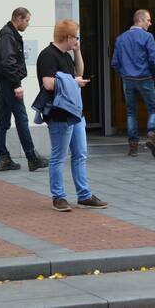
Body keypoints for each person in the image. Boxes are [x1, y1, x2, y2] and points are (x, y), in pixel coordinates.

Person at [33, 19, 107, 212]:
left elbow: (79, 72)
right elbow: (49, 84)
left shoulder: (66, 55)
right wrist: (73, 82)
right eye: (76, 37)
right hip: (59, 114)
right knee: (59, 156)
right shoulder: (48, 56)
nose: (77, 39)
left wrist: (77, 51)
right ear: (67, 37)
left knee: (80, 154)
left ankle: (84, 195)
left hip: (74, 112)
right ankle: (58, 197)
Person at [0, 7, 48, 172]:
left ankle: (3, 158)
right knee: (21, 118)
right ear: (19, 18)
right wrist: (16, 85)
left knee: (3, 119)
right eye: (27, 20)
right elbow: (9, 62)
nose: (28, 24)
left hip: (3, 81)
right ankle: (32, 157)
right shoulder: (8, 35)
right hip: (8, 82)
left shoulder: (7, 33)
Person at [111, 9, 155, 159]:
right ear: (140, 20)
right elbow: (154, 59)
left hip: (127, 79)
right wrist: (154, 74)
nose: (150, 23)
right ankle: (151, 135)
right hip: (145, 77)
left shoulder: (121, 38)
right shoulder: (148, 37)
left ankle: (133, 147)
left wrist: (123, 74)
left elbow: (115, 62)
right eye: (148, 20)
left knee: (131, 111)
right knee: (153, 108)